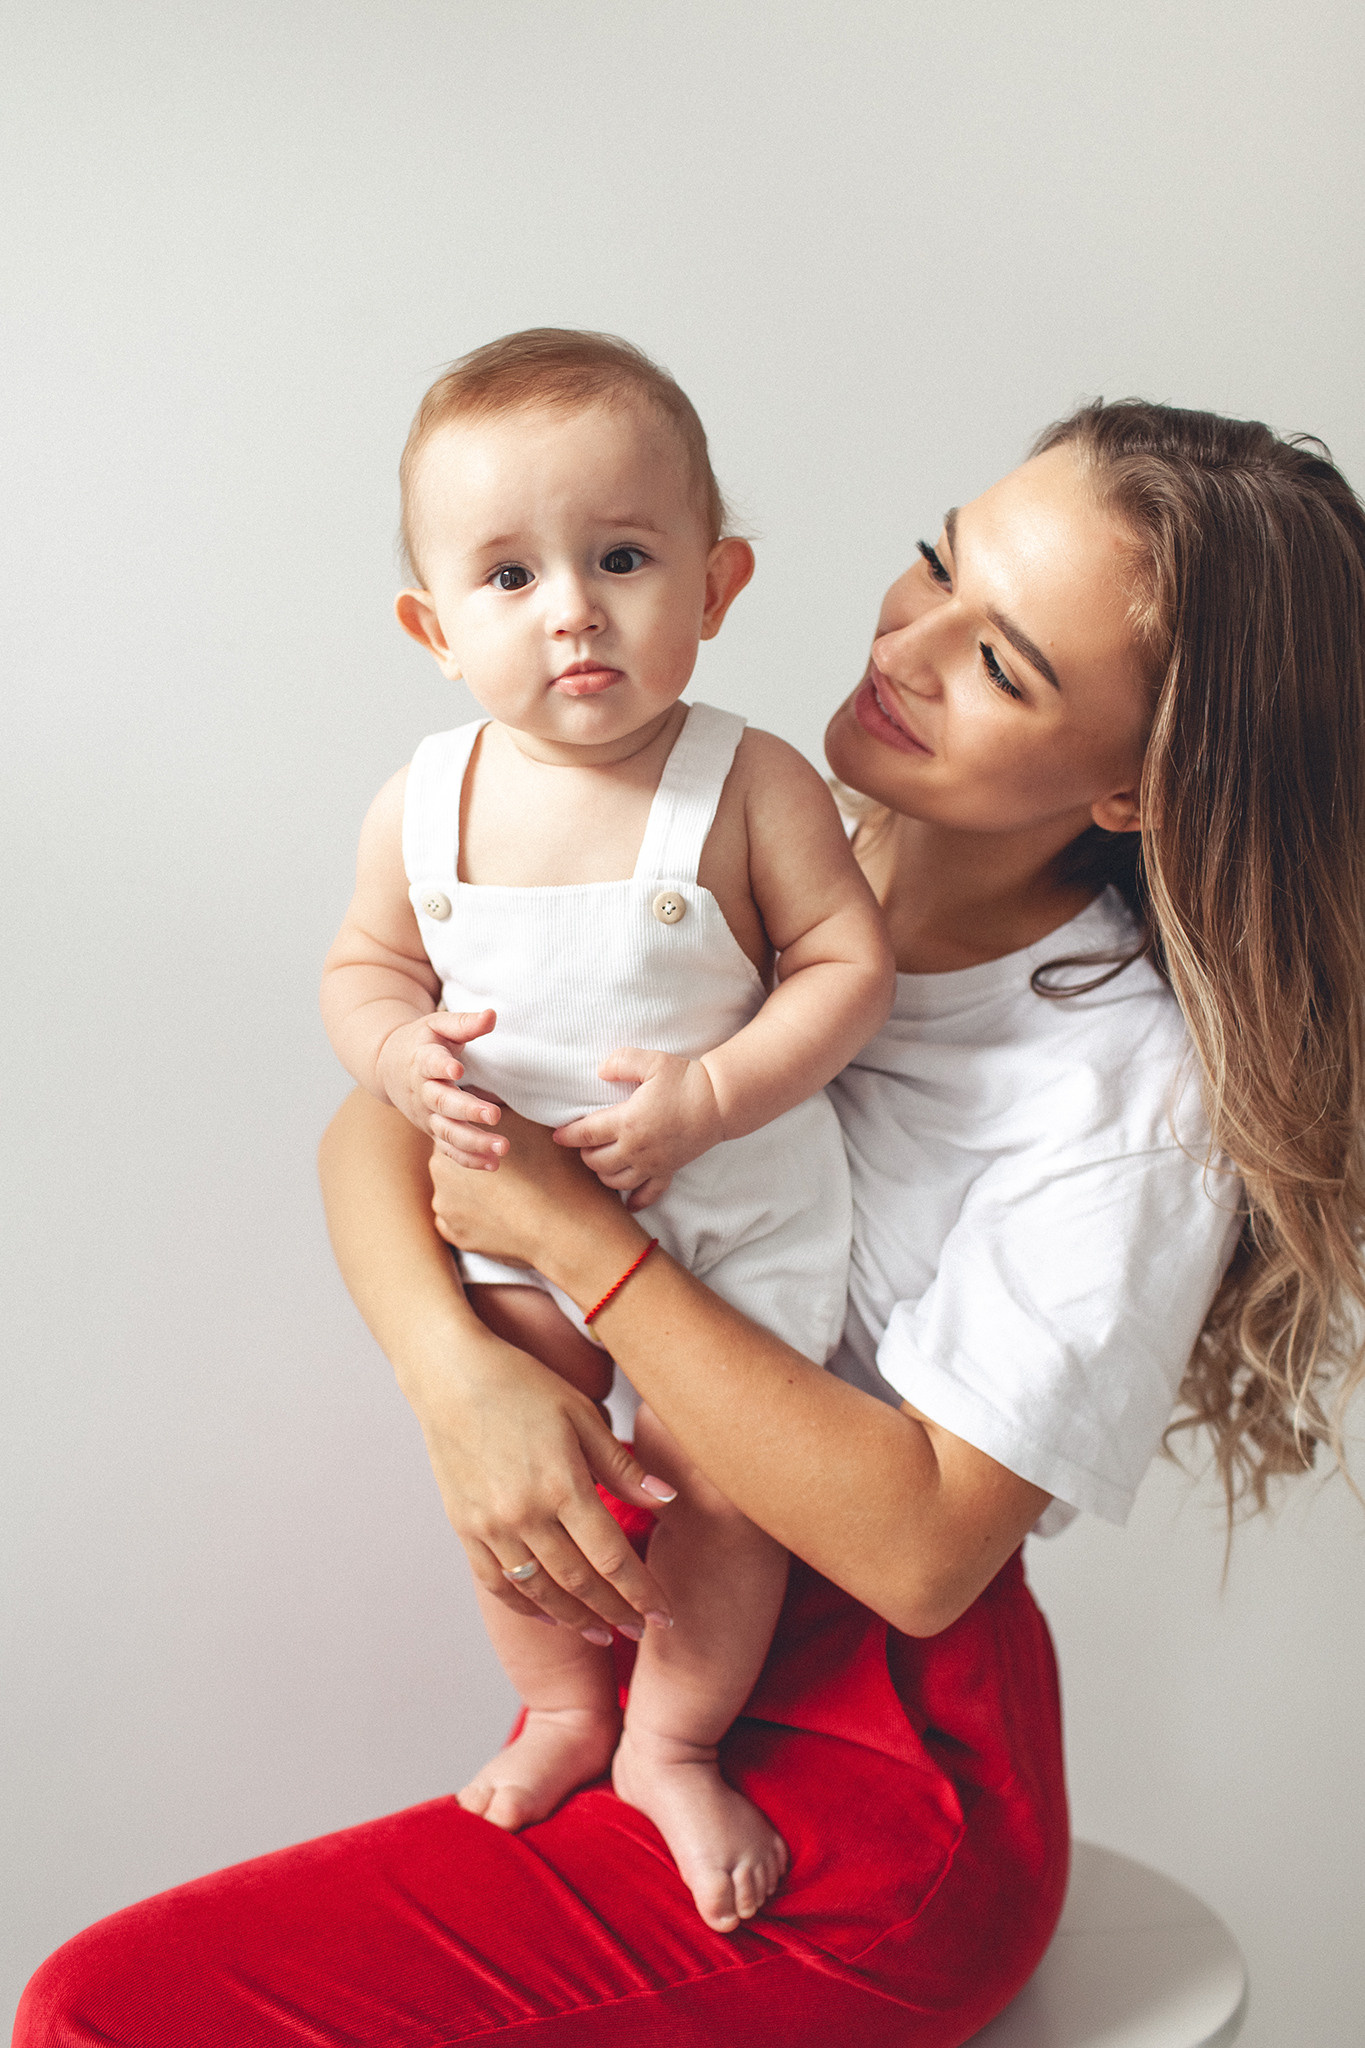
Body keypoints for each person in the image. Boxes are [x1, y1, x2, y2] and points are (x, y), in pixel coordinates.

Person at [18, 400, 1365, 2048]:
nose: (905, 645)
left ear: (1136, 790)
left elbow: (922, 1554)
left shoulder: (1128, 1093)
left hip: (871, 1792)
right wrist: (461, 1379)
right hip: (630, 1674)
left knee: (102, 2015)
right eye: (936, 561)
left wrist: (583, 1248)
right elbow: (386, 1128)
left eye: (1003, 665)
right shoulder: (737, 834)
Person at [318, 328, 894, 1931]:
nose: (570, 608)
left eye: (622, 558)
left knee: (722, 1484)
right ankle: (563, 1705)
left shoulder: (750, 783)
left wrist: (712, 1095)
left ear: (716, 584)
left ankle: (671, 1739)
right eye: (509, 576)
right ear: (435, 630)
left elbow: (845, 969)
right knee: (528, 1452)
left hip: (731, 1209)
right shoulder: (424, 803)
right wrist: (399, 1053)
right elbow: (361, 969)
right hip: (518, 1204)